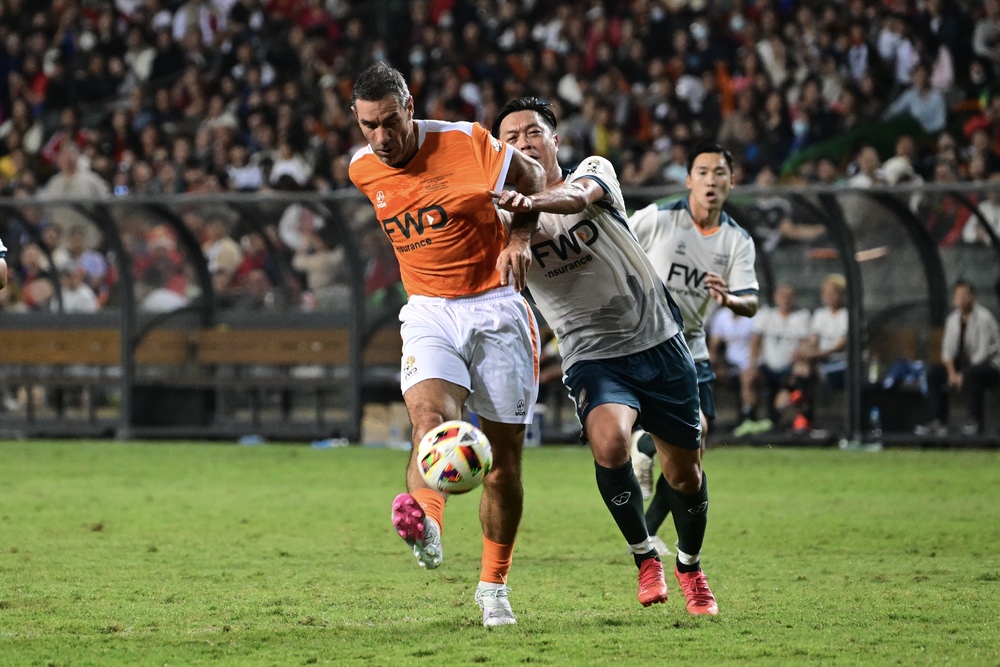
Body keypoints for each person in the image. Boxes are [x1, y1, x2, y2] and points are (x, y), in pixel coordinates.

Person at [492, 97, 717, 615]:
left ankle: (689, 566)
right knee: (611, 443)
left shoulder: (595, 171)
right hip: (591, 356)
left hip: (660, 342)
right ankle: (645, 557)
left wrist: (528, 204)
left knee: (685, 475)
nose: (523, 143)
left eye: (532, 133)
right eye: (510, 138)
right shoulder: (501, 216)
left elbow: (575, 197)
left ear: (554, 141)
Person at [348, 63, 546, 628]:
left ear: (410, 107)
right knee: (429, 424)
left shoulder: (464, 141)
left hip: (496, 305)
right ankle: (428, 524)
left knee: (503, 463)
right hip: (429, 310)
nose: (382, 137)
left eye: (390, 121)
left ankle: (493, 586)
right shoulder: (362, 169)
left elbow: (534, 178)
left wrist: (520, 238)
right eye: (369, 126)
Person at [626, 144, 759, 575]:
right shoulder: (658, 217)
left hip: (692, 348)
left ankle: (646, 531)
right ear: (688, 180)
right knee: (688, 434)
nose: (711, 180)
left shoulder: (736, 240)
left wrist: (730, 299)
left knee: (693, 452)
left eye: (720, 172)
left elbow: (752, 302)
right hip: (645, 342)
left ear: (731, 182)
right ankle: (643, 445)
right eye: (702, 171)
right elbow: (614, 243)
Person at [916, 280, 1000, 437]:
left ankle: (975, 422)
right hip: (964, 367)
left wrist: (963, 375)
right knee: (934, 373)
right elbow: (947, 351)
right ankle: (937, 421)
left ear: (972, 296)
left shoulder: (984, 318)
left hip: (990, 367)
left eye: (964, 295)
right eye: (958, 295)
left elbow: (983, 354)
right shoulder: (952, 319)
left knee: (973, 376)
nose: (961, 298)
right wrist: (952, 373)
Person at [785, 274, 848, 432]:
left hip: (841, 364)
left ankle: (799, 406)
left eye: (833, 293)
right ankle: (803, 415)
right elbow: (813, 340)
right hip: (820, 362)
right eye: (826, 293)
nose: (829, 297)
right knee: (803, 367)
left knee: (804, 372)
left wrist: (819, 353)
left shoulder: (847, 315)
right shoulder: (820, 315)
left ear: (841, 295)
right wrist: (803, 350)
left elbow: (840, 345)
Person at [746, 284, 813, 431]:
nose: (785, 300)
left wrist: (800, 356)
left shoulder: (802, 316)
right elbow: (755, 341)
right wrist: (752, 364)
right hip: (768, 367)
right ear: (775, 298)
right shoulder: (766, 314)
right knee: (748, 377)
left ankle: (792, 420)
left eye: (789, 296)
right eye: (782, 296)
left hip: (790, 368)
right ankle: (749, 419)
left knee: (803, 372)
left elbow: (806, 344)